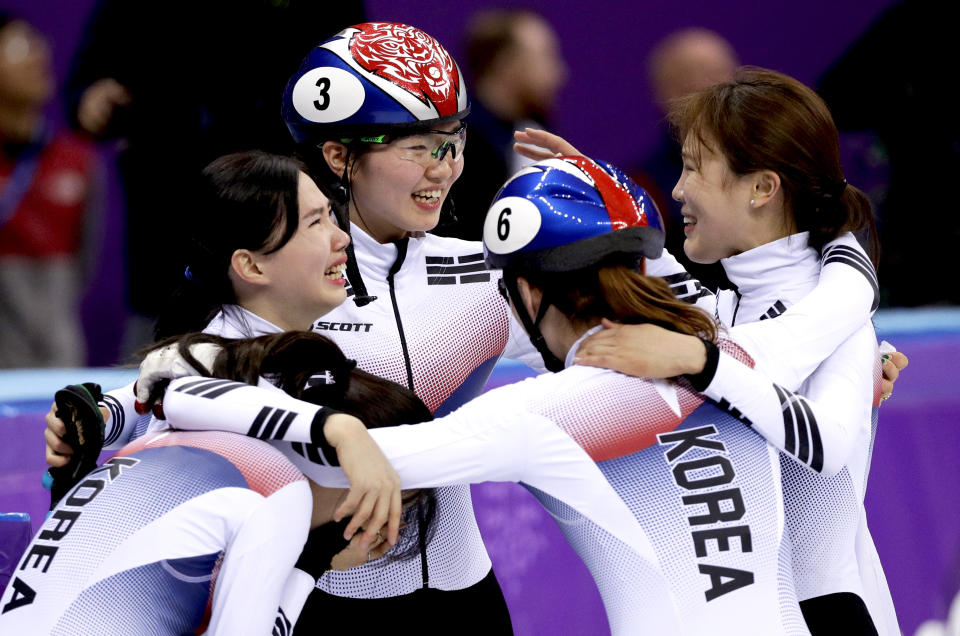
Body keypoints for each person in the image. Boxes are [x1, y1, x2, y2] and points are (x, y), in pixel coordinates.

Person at [153, 155, 898, 633]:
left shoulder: (547, 415)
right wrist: (844, 233)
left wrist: (161, 390)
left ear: (531, 291)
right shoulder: (734, 351)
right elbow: (840, 299)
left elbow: (340, 466)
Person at [522, 68, 899, 634]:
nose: (676, 190)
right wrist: (598, 206)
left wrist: (706, 364)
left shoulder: (834, 317)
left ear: (761, 188)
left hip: (827, 616)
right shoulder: (730, 308)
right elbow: (673, 290)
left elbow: (830, 442)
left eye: (694, 167)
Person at [45, 150, 404, 549]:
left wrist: (104, 416)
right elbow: (189, 395)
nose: (342, 237)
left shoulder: (228, 345)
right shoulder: (205, 371)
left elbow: (158, 395)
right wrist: (343, 431)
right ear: (251, 267)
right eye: (315, 222)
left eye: (331, 214)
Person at [2, 330, 436, 634]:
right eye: (388, 499)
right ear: (346, 465)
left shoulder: (173, 438)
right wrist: (312, 562)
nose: (382, 532)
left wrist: (314, 557)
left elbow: (179, 393)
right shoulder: (278, 489)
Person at [64, 0, 366, 354]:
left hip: (282, 194)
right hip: (168, 216)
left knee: (299, 351)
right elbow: (90, 80)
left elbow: (351, 72)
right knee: (161, 366)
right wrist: (91, 97)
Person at [0, 13, 100, 367]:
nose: (37, 57)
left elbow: (84, 261)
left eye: (37, 44)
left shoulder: (78, 162)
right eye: (19, 47)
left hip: (59, 356)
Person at [437, 8, 567, 241]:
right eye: (546, 57)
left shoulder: (535, 137)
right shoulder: (456, 146)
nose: (560, 74)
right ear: (506, 64)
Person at [633, 28, 739, 293]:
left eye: (727, 73)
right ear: (666, 92)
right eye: (704, 74)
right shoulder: (643, 189)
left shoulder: (769, 167)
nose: (724, 86)